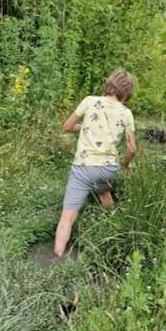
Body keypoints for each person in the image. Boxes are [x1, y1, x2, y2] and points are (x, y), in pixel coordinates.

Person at [54, 68, 137, 258]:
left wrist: (83, 127)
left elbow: (67, 127)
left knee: (66, 219)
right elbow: (132, 149)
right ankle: (114, 230)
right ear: (127, 92)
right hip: (108, 169)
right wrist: (125, 163)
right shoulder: (126, 113)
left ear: (109, 84)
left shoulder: (89, 101)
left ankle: (57, 255)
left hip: (83, 167)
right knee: (104, 192)